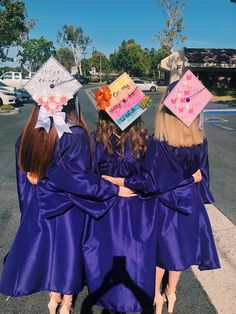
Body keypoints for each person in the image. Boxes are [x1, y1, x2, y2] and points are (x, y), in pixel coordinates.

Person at [0, 96, 133, 314]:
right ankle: (67, 303)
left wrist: (33, 196)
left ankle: (54, 300)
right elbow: (79, 180)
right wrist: (114, 190)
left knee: (52, 253)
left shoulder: (31, 133)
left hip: (42, 206)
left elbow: (26, 172)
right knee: (68, 256)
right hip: (69, 209)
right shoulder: (75, 135)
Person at [103, 84, 221, 314]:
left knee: (160, 254)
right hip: (189, 207)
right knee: (178, 252)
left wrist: (120, 181)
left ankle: (156, 294)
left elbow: (151, 182)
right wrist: (191, 180)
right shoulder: (200, 140)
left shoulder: (160, 143)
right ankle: (171, 291)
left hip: (165, 207)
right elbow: (202, 176)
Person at [82, 110, 158, 313]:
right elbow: (88, 178)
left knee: (135, 262)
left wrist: (124, 183)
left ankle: (130, 303)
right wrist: (115, 189)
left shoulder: (143, 140)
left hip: (136, 209)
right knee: (107, 258)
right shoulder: (94, 141)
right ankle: (116, 303)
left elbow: (152, 179)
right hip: (107, 210)